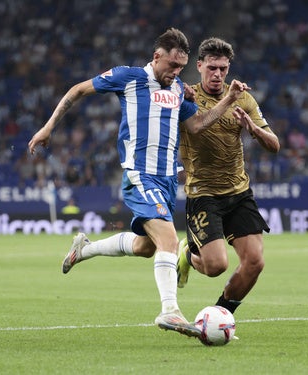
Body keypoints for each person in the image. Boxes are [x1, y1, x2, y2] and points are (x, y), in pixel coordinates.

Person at [28, 28, 247, 338]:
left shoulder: (177, 91)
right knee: (170, 240)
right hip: (139, 174)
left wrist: (228, 100)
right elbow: (77, 90)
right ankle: (170, 311)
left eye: (180, 67)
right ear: (156, 57)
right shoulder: (128, 77)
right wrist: (48, 127)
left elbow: (197, 124)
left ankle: (84, 249)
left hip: (168, 179)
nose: (175, 72)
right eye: (171, 65)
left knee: (148, 247)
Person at [175, 37, 280, 316]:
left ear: (228, 67)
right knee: (215, 266)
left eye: (223, 68)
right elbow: (197, 128)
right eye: (212, 67)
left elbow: (275, 145)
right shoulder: (187, 96)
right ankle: (187, 253)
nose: (217, 74)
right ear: (199, 66)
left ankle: (221, 316)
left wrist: (253, 130)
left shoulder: (244, 98)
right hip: (203, 194)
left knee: (255, 262)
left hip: (238, 192)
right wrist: (229, 99)